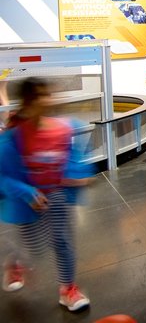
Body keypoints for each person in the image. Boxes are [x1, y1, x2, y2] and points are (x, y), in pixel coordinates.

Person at [1, 78, 94, 311]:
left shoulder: (63, 128)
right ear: (26, 102)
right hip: (28, 202)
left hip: (57, 195)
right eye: (38, 96)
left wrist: (76, 175)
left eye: (47, 94)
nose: (46, 100)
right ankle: (16, 262)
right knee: (34, 247)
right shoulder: (13, 137)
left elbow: (72, 157)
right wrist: (27, 192)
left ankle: (68, 289)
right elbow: (3, 176)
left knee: (63, 242)